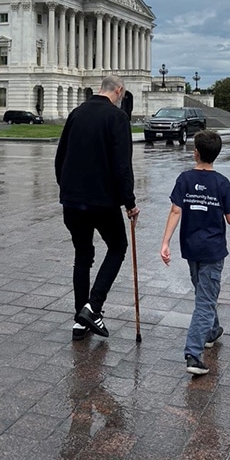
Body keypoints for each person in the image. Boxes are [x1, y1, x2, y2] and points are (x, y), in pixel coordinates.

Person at [55, 74, 140, 341]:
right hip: (102, 200)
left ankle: (80, 320)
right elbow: (122, 165)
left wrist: (66, 188)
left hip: (73, 199)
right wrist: (130, 202)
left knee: (82, 255)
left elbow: (61, 157)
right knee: (118, 247)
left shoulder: (77, 113)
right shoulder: (117, 118)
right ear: (119, 91)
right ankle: (93, 306)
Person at [160, 130, 230, 376]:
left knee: (203, 292)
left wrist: (166, 242)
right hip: (213, 250)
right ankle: (193, 353)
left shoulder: (184, 179)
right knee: (205, 299)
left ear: (195, 153)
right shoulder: (222, 182)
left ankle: (212, 331)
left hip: (191, 248)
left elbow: (175, 210)